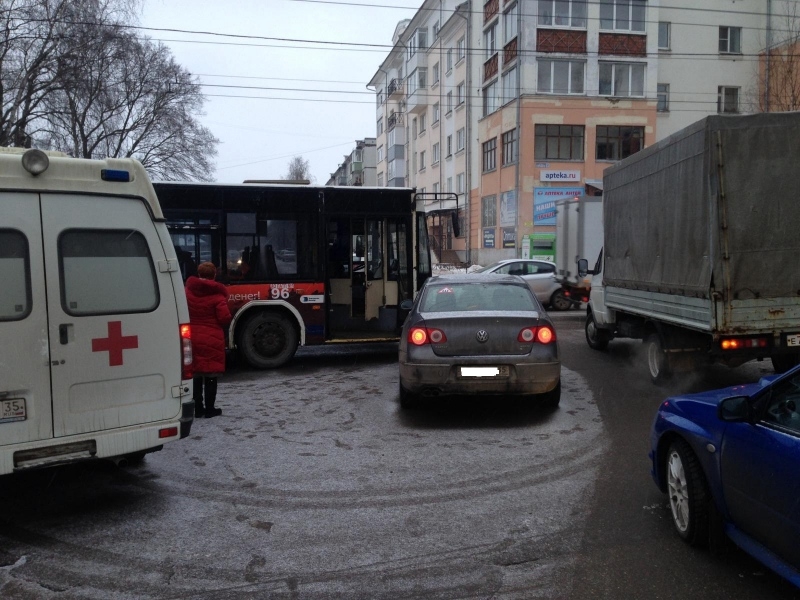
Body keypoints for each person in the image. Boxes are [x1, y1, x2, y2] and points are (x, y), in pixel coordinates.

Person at [185, 262, 232, 418]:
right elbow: (224, 318)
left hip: (192, 337)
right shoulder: (217, 295)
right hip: (212, 338)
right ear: (214, 275)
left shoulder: (187, 292)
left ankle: (198, 409)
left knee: (196, 373)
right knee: (211, 375)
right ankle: (210, 409)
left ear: (199, 274)